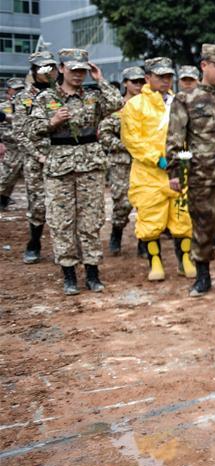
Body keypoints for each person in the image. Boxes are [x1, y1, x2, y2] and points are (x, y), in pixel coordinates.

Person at [26, 49, 124, 295]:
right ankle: (69, 274)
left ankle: (92, 272)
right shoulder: (46, 99)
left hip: (90, 164)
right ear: (61, 69)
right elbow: (30, 130)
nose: (79, 75)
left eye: (82, 70)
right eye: (74, 70)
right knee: (62, 222)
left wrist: (100, 79)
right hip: (60, 166)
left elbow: (117, 103)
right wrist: (52, 122)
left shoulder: (92, 97)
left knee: (91, 220)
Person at [167, 44, 215, 298]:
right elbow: (175, 138)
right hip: (203, 175)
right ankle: (203, 276)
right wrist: (174, 172)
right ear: (204, 66)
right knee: (203, 226)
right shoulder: (185, 99)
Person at [120, 56, 195, 282]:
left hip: (179, 169)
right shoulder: (135, 105)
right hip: (149, 172)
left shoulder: (180, 101)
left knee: (183, 217)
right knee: (151, 219)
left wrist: (186, 158)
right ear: (148, 78)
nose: (165, 80)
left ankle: (185, 260)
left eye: (168, 76)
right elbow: (131, 139)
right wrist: (156, 158)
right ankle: (155, 262)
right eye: (160, 76)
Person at [14, 52, 57, 264]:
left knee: (61, 204)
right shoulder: (24, 98)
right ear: (34, 71)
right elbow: (20, 133)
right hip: (35, 160)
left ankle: (63, 249)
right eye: (43, 68)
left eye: (52, 67)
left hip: (60, 157)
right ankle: (34, 242)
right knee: (38, 205)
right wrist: (38, 155)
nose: (49, 72)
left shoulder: (61, 95)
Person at [98, 66, 144, 257]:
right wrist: (125, 145)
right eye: (134, 82)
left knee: (145, 202)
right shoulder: (117, 107)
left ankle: (144, 240)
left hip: (144, 161)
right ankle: (116, 232)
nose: (138, 85)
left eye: (142, 82)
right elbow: (104, 134)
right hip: (121, 162)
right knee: (122, 203)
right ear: (125, 83)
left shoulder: (148, 106)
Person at [0, 78, 26, 211]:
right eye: (15, 90)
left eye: (21, 89)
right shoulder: (2, 107)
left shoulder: (29, 105)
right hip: (9, 147)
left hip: (26, 147)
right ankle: (2, 200)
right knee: (5, 177)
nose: (18, 92)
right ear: (8, 91)